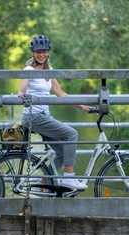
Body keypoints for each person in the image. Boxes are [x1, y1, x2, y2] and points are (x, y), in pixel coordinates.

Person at [17, 35, 93, 190]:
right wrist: (21, 93)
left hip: (44, 116)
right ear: (33, 53)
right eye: (38, 52)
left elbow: (61, 94)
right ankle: (69, 179)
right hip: (34, 117)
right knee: (72, 134)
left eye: (44, 51)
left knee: (62, 152)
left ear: (48, 52)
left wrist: (82, 106)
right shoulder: (28, 70)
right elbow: (22, 89)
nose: (41, 54)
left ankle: (43, 185)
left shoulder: (49, 71)